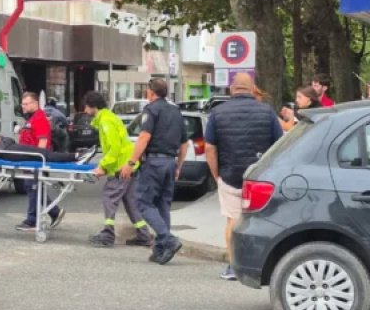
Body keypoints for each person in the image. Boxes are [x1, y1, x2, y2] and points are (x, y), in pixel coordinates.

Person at [205, 73, 283, 281]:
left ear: (232, 88)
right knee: (260, 220)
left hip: (229, 174)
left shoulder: (217, 113)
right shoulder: (267, 112)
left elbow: (210, 148)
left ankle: (233, 266)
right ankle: (262, 264)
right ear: (252, 88)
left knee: (232, 220)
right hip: (260, 177)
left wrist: (216, 175)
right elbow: (279, 145)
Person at [119, 78, 188, 265]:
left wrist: (131, 162)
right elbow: (184, 143)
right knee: (163, 206)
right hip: (170, 162)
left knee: (144, 203)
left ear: (150, 92)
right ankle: (160, 250)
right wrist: (179, 166)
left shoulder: (151, 110)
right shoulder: (175, 111)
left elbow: (143, 138)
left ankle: (168, 239)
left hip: (154, 163)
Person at [82, 91, 153, 248]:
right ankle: (144, 235)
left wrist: (102, 166)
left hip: (121, 168)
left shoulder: (106, 121)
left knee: (109, 198)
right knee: (131, 202)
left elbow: (113, 149)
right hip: (128, 166)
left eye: (86, 107)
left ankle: (108, 233)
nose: (85, 111)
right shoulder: (110, 118)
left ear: (93, 106)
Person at [15, 92, 66, 232]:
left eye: (26, 104)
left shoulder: (39, 119)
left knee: (33, 188)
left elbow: (42, 142)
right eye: (22, 104)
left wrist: (36, 161)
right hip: (29, 159)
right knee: (34, 188)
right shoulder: (32, 118)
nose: (23, 106)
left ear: (35, 104)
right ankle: (54, 212)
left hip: (34, 160)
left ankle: (32, 220)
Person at [0, 127, 95, 163]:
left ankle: (77, 156)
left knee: (42, 153)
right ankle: (76, 156)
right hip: (4, 150)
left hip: (6, 147)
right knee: (42, 154)